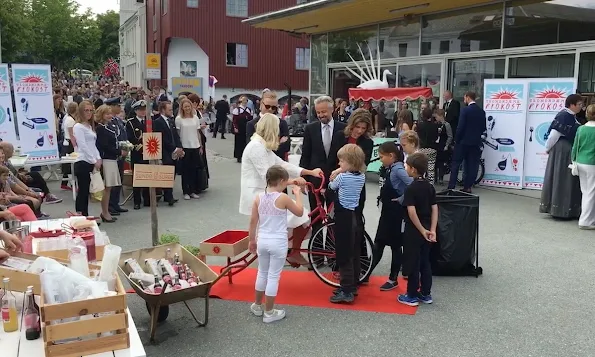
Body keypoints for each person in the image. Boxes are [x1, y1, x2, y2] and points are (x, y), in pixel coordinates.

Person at [240, 113, 322, 266]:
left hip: (267, 193)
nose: (279, 133)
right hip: (258, 194)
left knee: (300, 217)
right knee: (301, 216)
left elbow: (282, 165)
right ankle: (292, 252)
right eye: (277, 129)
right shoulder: (256, 147)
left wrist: (309, 172)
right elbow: (268, 175)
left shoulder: (262, 146)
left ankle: (292, 251)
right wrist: (293, 181)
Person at [248, 165, 304, 323]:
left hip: (262, 240)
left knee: (262, 272)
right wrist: (298, 194)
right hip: (278, 241)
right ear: (280, 181)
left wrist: (251, 240)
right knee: (273, 276)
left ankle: (257, 305)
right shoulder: (283, 198)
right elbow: (299, 212)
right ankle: (269, 312)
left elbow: (253, 221)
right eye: (285, 182)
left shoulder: (259, 197)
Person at [300, 96, 347, 253]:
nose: (320, 115)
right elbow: (305, 156)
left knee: (334, 219)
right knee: (317, 220)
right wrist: (304, 179)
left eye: (323, 112)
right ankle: (318, 255)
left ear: (332, 109)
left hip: (337, 182)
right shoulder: (310, 129)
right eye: (318, 112)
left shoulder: (343, 129)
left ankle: (332, 254)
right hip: (315, 182)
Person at [368, 142, 412, 290]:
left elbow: (414, 184)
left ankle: (393, 279)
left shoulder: (398, 169)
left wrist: (401, 199)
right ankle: (366, 273)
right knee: (379, 243)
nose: (380, 160)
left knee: (394, 246)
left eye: (381, 157)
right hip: (387, 212)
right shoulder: (390, 168)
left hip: (396, 214)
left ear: (391, 156)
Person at [327, 144, 366, 303]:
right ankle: (353, 284)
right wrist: (341, 170)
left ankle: (346, 290)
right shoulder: (361, 176)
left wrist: (335, 174)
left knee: (344, 253)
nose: (339, 164)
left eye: (341, 161)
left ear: (350, 162)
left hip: (343, 217)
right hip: (355, 216)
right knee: (354, 251)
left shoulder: (342, 177)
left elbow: (331, 186)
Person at [398, 152, 437, 307]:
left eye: (407, 166)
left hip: (414, 231)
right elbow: (435, 208)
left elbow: (412, 212)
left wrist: (421, 230)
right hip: (428, 228)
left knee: (413, 262)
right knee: (425, 262)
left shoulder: (411, 188)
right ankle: (426, 293)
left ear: (413, 169)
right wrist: (432, 229)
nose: (405, 168)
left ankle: (412, 295)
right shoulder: (430, 186)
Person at [540, 94, 583, 219]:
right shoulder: (564, 115)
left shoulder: (571, 116)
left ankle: (565, 208)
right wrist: (548, 148)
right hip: (561, 149)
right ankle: (559, 208)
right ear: (571, 104)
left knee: (565, 178)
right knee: (561, 177)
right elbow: (554, 134)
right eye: (579, 104)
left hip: (566, 149)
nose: (581, 107)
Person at [447, 91, 486, 193]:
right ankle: (468, 187)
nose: (464, 100)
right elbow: (483, 128)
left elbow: (460, 127)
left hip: (463, 142)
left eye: (464, 98)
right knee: (472, 165)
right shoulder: (481, 112)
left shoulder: (465, 111)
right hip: (475, 142)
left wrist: (457, 140)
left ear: (468, 98)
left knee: (456, 164)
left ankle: (451, 186)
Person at [73, 100, 102, 216]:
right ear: (81, 111)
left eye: (90, 110)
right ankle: (81, 215)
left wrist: (98, 158)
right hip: (82, 161)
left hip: (90, 160)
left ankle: (85, 215)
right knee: (83, 191)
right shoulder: (78, 127)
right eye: (86, 110)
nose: (89, 113)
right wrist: (94, 160)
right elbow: (83, 145)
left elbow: (93, 145)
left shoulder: (89, 126)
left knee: (87, 191)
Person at [153, 101, 183, 207]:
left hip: (174, 151)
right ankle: (168, 196)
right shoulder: (157, 122)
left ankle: (168, 195)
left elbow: (175, 135)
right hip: (165, 151)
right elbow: (162, 139)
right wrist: (174, 149)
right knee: (167, 173)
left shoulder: (171, 121)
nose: (171, 111)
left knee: (173, 173)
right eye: (169, 110)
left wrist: (180, 147)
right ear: (163, 110)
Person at [95, 104, 121, 223]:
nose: (110, 116)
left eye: (110, 113)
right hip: (106, 159)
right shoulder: (100, 128)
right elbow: (104, 146)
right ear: (101, 115)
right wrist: (119, 151)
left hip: (111, 159)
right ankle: (105, 212)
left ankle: (106, 211)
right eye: (107, 114)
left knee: (109, 187)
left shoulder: (107, 127)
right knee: (107, 187)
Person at [572, 104, 595, 229]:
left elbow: (575, 146)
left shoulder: (581, 129)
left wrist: (573, 160)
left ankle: (586, 218)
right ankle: (586, 221)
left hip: (580, 162)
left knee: (585, 192)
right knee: (591, 193)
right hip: (592, 163)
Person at [175, 98, 203, 199]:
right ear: (182, 107)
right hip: (185, 146)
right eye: (185, 106)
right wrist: (179, 147)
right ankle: (186, 191)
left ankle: (193, 190)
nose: (187, 108)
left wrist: (200, 146)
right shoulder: (179, 119)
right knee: (185, 170)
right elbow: (177, 134)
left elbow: (197, 133)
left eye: (189, 106)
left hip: (195, 145)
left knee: (194, 169)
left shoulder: (195, 118)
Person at [106, 97, 129, 215]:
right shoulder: (109, 121)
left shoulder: (117, 120)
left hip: (121, 152)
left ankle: (115, 203)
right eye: (118, 106)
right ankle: (110, 205)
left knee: (119, 180)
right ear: (111, 106)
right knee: (113, 182)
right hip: (114, 154)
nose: (120, 108)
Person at [126, 100, 150, 210]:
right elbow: (130, 138)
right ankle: (137, 201)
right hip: (137, 153)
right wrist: (140, 147)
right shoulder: (131, 122)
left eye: (144, 109)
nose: (143, 112)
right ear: (136, 111)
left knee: (147, 176)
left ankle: (147, 199)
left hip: (149, 152)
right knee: (137, 178)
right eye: (141, 110)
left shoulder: (149, 121)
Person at [416, 108, 440, 184]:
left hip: (422, 148)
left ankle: (420, 183)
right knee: (431, 168)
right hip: (432, 148)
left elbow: (417, 136)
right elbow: (436, 137)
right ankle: (431, 185)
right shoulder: (435, 126)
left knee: (421, 167)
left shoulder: (419, 125)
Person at [61, 102, 78, 190]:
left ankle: (65, 183)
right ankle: (72, 184)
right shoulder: (70, 120)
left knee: (67, 165)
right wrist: (76, 147)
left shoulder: (67, 117)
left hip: (67, 142)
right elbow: (72, 135)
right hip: (69, 143)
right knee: (70, 165)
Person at [434, 109, 453, 185]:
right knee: (435, 162)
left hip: (443, 145)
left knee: (441, 163)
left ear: (441, 116)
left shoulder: (447, 125)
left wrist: (447, 145)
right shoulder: (435, 124)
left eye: (437, 117)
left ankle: (441, 178)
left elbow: (450, 136)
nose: (436, 118)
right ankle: (435, 178)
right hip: (436, 145)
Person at [232, 96, 252, 163]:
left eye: (246, 101)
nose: (245, 102)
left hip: (247, 129)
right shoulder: (237, 110)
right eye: (243, 101)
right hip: (240, 129)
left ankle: (246, 156)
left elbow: (251, 120)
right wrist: (235, 128)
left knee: (246, 142)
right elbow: (234, 121)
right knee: (239, 143)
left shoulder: (249, 110)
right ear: (241, 101)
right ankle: (239, 156)